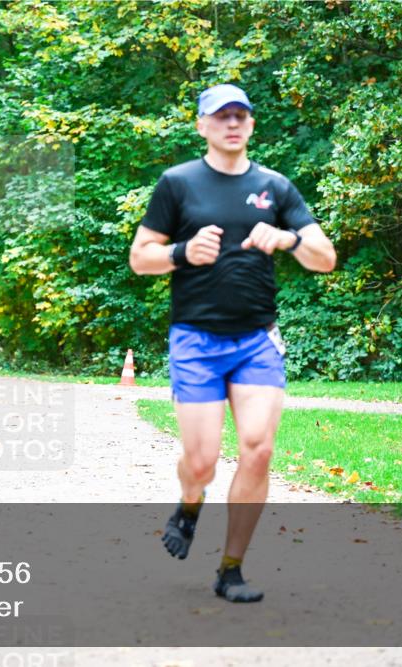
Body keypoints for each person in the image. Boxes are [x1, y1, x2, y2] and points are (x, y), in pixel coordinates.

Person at [128, 84, 336, 602]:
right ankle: (190, 501)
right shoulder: (177, 184)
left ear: (251, 124)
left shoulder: (275, 187)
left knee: (258, 451)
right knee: (201, 461)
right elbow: (140, 257)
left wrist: (288, 240)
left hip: (257, 340)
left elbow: (324, 256)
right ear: (202, 125)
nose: (232, 124)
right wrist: (181, 252)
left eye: (241, 115)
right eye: (221, 116)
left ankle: (231, 569)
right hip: (196, 340)